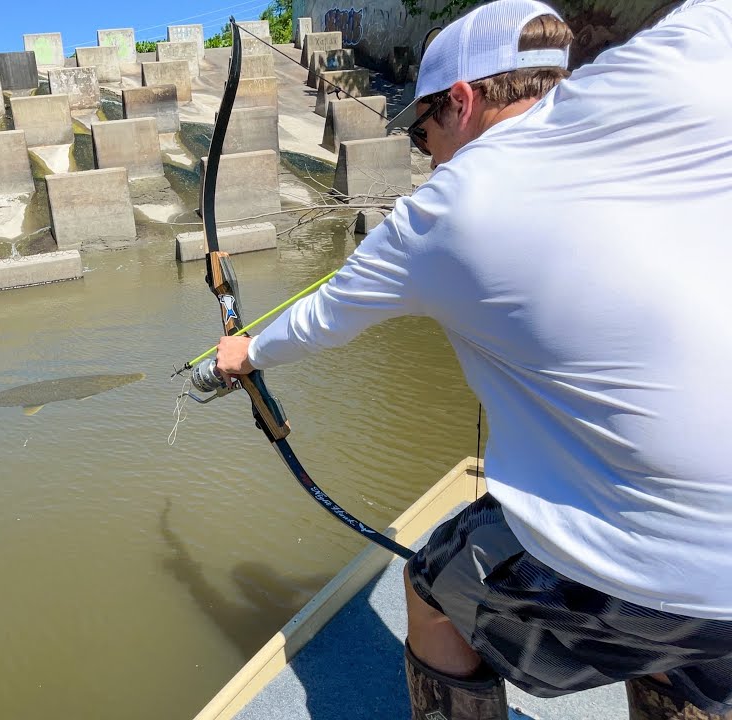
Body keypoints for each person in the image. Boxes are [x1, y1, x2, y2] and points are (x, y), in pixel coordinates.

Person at [213, 0, 732, 718]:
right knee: (696, 660)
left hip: (638, 573)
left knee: (430, 588)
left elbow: (317, 322)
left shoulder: (443, 211)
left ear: (461, 100)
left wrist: (243, 353)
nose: (428, 154)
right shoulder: (675, 70)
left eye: (424, 131)